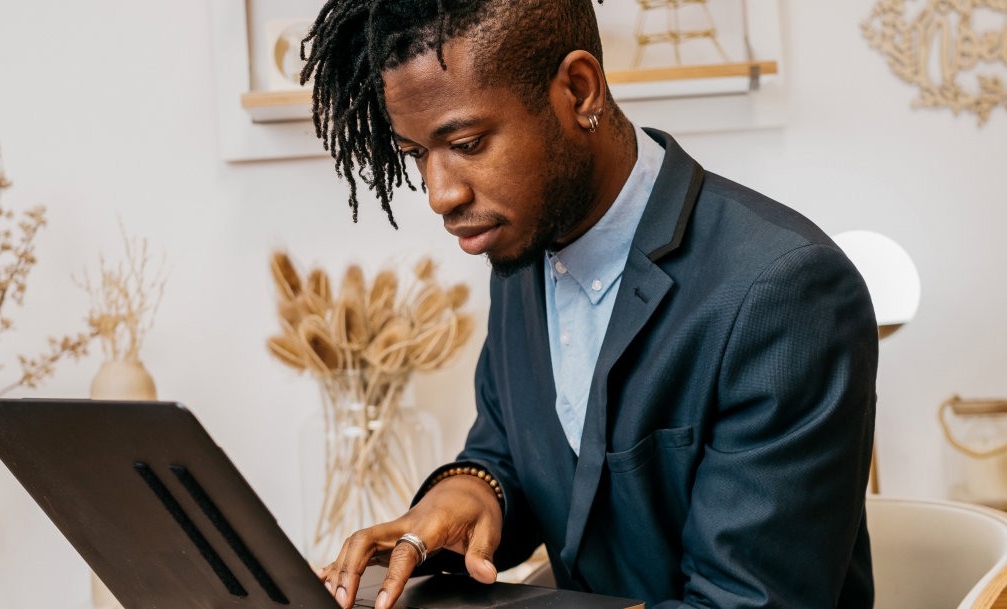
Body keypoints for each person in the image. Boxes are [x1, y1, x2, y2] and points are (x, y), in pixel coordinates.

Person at [300, 1, 878, 608]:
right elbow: (513, 455)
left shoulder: (783, 292)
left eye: (467, 143)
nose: (440, 194)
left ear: (578, 90)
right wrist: (469, 491)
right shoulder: (523, 248)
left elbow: (744, 603)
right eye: (418, 153)